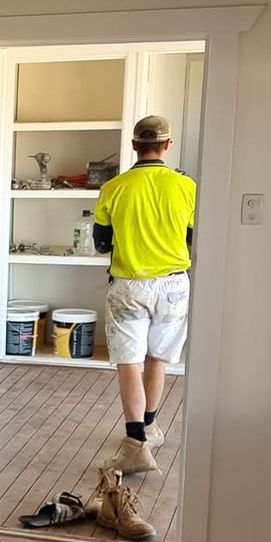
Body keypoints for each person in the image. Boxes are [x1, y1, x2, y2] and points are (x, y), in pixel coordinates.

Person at [91, 115, 195, 480]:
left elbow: (102, 242)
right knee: (157, 360)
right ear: (167, 145)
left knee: (129, 363)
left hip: (129, 286)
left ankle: (135, 445)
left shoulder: (115, 188)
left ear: (134, 145)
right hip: (173, 285)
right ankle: (150, 429)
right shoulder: (187, 187)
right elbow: (192, 237)